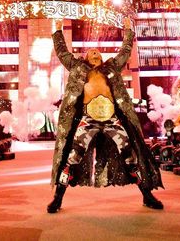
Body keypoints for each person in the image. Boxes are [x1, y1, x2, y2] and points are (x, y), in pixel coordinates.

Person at [47, 18, 164, 213]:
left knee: (130, 156)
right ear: (85, 57)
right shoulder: (77, 67)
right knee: (72, 157)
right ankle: (58, 198)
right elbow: (62, 52)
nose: (95, 53)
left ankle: (147, 195)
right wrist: (57, 30)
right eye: (91, 52)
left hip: (112, 119)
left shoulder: (111, 68)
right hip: (87, 120)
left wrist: (128, 29)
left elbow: (125, 52)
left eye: (98, 52)